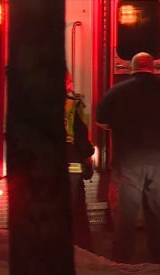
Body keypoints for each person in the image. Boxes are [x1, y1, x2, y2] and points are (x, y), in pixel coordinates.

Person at [95, 52, 160, 264]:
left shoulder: (116, 92)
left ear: (131, 69)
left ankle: (123, 259)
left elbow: (102, 122)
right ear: (153, 69)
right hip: (159, 160)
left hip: (128, 161)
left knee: (126, 212)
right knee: (158, 211)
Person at [65, 69, 95, 253]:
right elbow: (82, 137)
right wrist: (88, 155)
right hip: (70, 163)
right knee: (74, 210)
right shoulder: (72, 106)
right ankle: (78, 249)